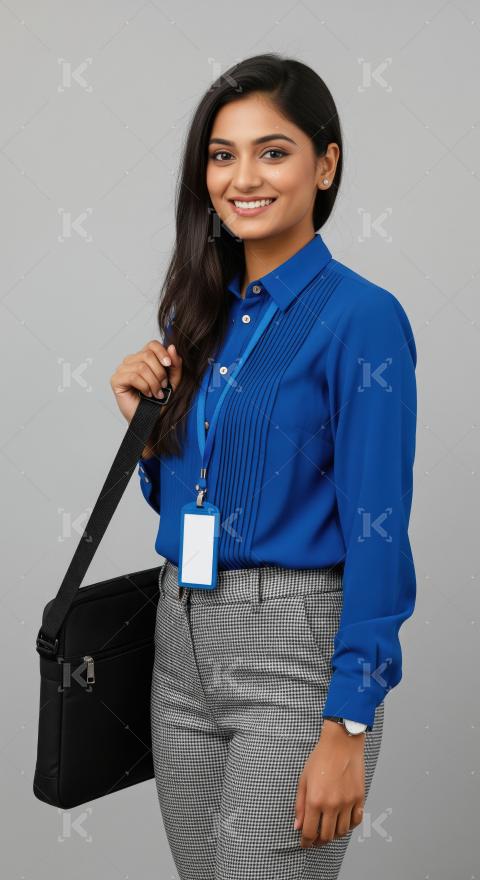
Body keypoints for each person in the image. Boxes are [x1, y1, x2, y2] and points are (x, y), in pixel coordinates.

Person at [110, 53, 417, 880]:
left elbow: (380, 529)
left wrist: (346, 722)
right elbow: (193, 500)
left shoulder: (364, 319)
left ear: (326, 163)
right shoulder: (196, 311)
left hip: (293, 654)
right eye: (222, 154)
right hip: (179, 643)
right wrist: (147, 440)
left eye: (273, 152)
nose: (243, 177)